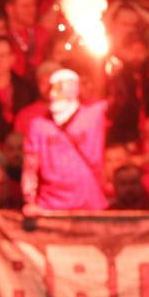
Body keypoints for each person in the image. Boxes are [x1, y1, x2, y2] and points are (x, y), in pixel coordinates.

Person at [21, 69, 109, 213]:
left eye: (59, 87)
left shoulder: (94, 115)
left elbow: (121, 102)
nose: (53, 94)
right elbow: (30, 166)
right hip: (50, 205)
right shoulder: (39, 125)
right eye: (52, 87)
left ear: (74, 89)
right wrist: (29, 200)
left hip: (89, 203)